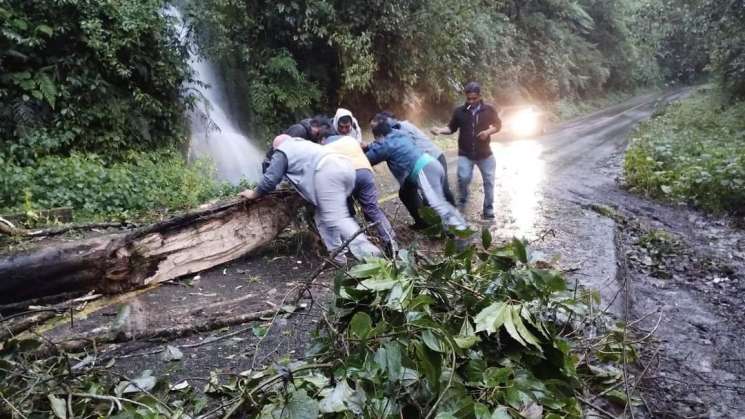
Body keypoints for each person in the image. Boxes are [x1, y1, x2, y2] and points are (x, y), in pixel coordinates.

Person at [240, 134, 381, 264]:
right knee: (322, 216)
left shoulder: (282, 150)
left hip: (328, 171)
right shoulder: (303, 144)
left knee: (337, 218)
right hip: (346, 168)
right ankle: (338, 257)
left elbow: (271, 179)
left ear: (277, 146)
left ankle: (371, 256)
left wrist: (254, 193)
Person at [365, 119, 468, 234]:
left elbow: (368, 158)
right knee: (405, 192)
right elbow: (378, 145)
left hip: (424, 171)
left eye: (376, 137)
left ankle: (459, 231)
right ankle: (423, 223)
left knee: (437, 203)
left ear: (380, 135)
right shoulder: (399, 134)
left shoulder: (386, 145)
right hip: (431, 163)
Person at [431, 82, 501, 219]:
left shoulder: (489, 110)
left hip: (485, 154)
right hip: (465, 153)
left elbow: (498, 125)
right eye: (469, 98)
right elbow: (451, 128)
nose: (471, 101)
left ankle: (488, 211)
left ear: (480, 96)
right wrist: (439, 130)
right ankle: (461, 207)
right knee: (462, 179)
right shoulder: (459, 112)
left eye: (474, 98)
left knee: (489, 181)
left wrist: (487, 132)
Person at [322, 134, 397, 253]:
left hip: (345, 175)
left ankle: (357, 243)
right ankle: (391, 241)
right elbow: (364, 148)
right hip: (364, 172)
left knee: (346, 211)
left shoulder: (325, 146)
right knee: (372, 209)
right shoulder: (350, 140)